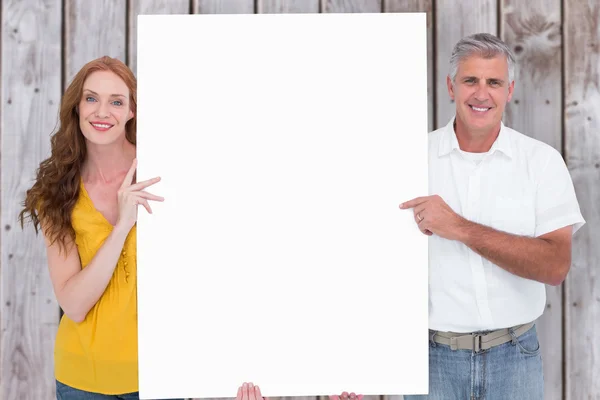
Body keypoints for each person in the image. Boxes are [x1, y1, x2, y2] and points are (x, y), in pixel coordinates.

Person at [399, 33, 585, 399]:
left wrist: (459, 228)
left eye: (493, 82)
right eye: (470, 80)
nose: (481, 94)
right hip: (429, 362)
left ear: (509, 89)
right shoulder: (409, 161)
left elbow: (555, 266)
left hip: (515, 359)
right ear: (450, 87)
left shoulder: (541, 162)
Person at [19, 56, 176, 400]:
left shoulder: (168, 171)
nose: (102, 112)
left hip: (162, 376)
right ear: (76, 107)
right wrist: (122, 226)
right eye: (91, 98)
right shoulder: (56, 190)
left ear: (132, 110)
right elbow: (73, 304)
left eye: (116, 101)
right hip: (82, 380)